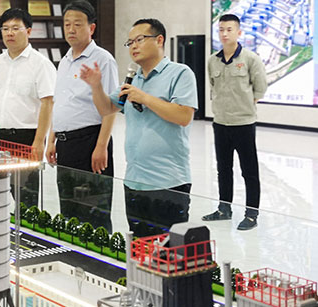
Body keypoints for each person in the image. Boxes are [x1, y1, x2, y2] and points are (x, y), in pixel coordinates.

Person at [80, 18, 198, 236]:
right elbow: (106, 108)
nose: (133, 46)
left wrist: (145, 98)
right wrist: (96, 87)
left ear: (159, 40)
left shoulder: (180, 73)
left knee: (168, 250)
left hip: (168, 183)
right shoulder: (133, 80)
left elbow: (183, 116)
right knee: (139, 248)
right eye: (130, 42)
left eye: (140, 40)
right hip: (134, 182)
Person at [46, 0, 118, 232]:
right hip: (65, 145)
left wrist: (101, 146)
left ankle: (99, 254)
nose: (71, 29)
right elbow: (59, 102)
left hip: (90, 141)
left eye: (77, 24)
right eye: (67, 24)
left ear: (91, 28)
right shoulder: (64, 61)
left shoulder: (103, 59)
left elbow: (111, 107)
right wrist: (51, 140)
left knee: (94, 211)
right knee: (69, 210)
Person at [202, 14, 268, 231]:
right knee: (223, 169)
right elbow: (213, 86)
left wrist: (247, 103)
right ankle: (224, 209)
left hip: (244, 123)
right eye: (221, 30)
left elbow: (260, 87)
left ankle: (251, 214)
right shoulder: (213, 60)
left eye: (229, 29)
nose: (224, 34)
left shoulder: (250, 58)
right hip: (221, 123)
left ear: (239, 32)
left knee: (249, 171)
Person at [0, 8, 56, 161]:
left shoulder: (41, 64)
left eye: (15, 28)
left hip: (26, 136)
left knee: (26, 177)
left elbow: (48, 103)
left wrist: (39, 141)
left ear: (28, 31)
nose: (9, 33)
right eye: (5, 29)